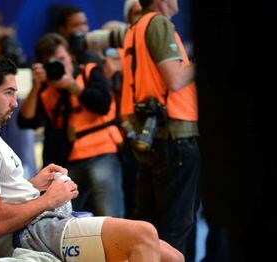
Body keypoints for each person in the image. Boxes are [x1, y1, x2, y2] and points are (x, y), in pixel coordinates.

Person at [0, 53, 184, 261]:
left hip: (40, 226)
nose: (15, 102)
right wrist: (48, 200)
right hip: (31, 234)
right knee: (143, 234)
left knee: (173, 256)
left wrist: (33, 185)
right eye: (9, 92)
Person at [119, 0, 200, 257]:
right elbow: (175, 79)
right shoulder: (159, 22)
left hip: (152, 136)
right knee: (176, 228)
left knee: (150, 227)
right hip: (174, 136)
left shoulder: (135, 27)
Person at [18, 33, 125, 218]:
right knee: (67, 218)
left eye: (62, 59)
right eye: (52, 62)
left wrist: (72, 85)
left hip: (100, 153)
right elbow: (27, 121)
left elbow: (102, 104)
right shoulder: (45, 88)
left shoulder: (89, 71)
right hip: (66, 161)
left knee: (109, 216)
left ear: (71, 56)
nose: (59, 65)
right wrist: (36, 86)